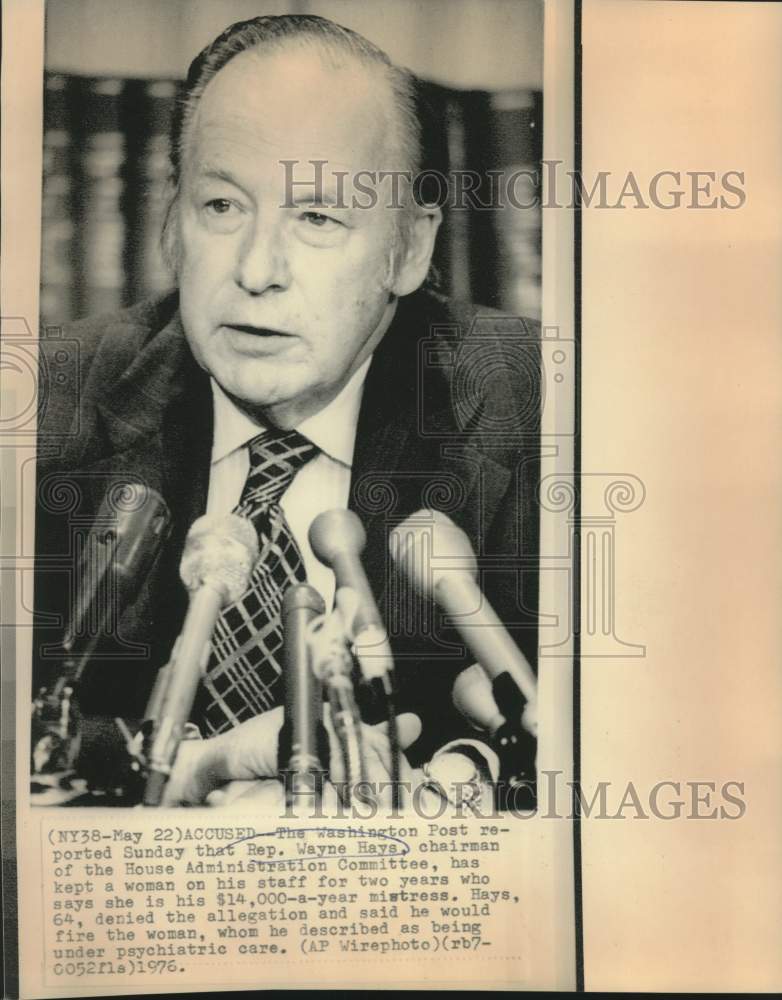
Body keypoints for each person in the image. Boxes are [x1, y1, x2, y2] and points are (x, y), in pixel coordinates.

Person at [33, 14, 540, 807]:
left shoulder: (543, 403)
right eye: (223, 206)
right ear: (171, 223)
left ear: (410, 249)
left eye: (317, 217)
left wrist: (461, 775)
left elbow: (606, 730)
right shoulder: (41, 403)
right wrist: (197, 766)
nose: (257, 269)